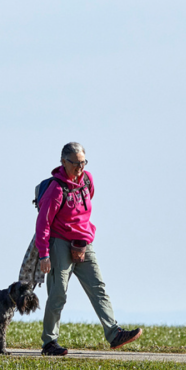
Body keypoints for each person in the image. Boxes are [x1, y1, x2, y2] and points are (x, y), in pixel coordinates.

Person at [36, 142, 141, 356]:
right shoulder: (56, 189)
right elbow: (43, 223)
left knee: (98, 287)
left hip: (83, 243)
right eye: (75, 163)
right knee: (58, 294)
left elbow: (83, 213)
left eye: (83, 162)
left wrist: (81, 242)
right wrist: (44, 254)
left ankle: (114, 333)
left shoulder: (88, 180)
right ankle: (49, 342)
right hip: (59, 243)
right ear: (63, 162)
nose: (80, 168)